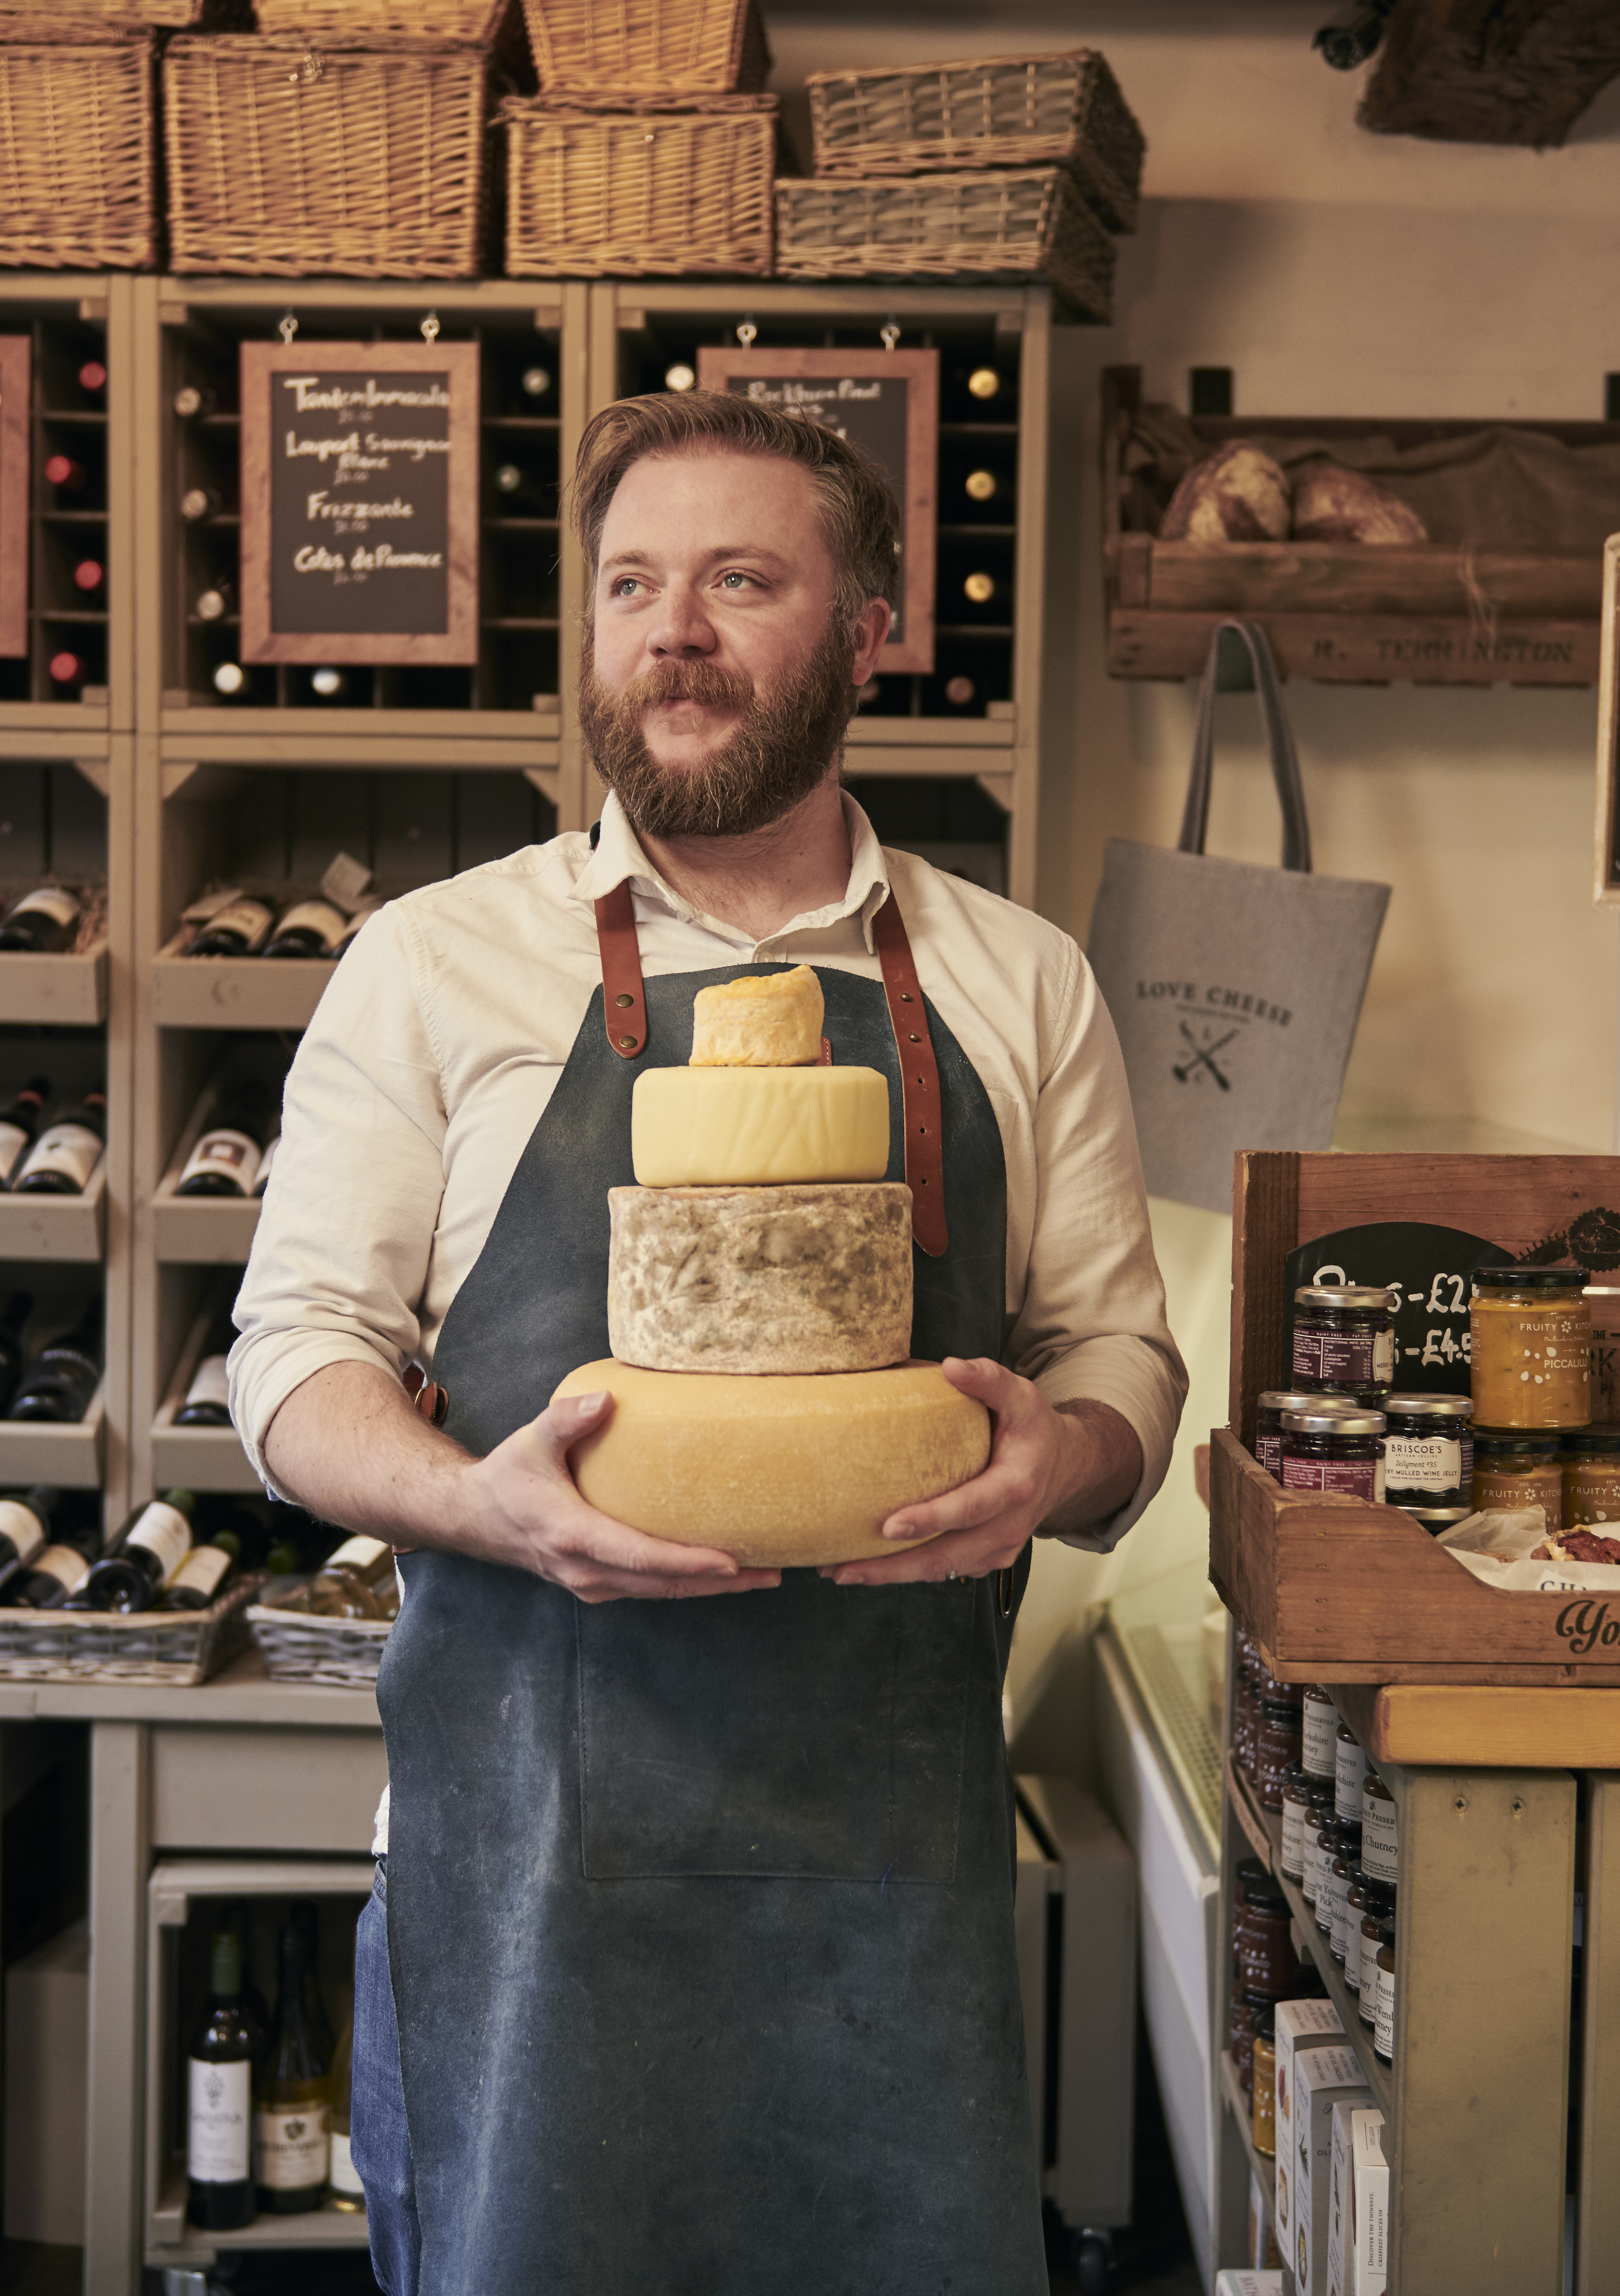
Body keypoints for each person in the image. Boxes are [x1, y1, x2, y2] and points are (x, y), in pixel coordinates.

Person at [227, 386, 1186, 2294]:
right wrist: (491, 1505)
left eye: (743, 579)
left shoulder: (1018, 978)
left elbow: (1123, 1369)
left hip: (886, 1870)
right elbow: (295, 1367)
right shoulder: (436, 962)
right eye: (632, 584)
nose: (675, 629)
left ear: (864, 630)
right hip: (526, 1873)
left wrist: (1051, 1467)